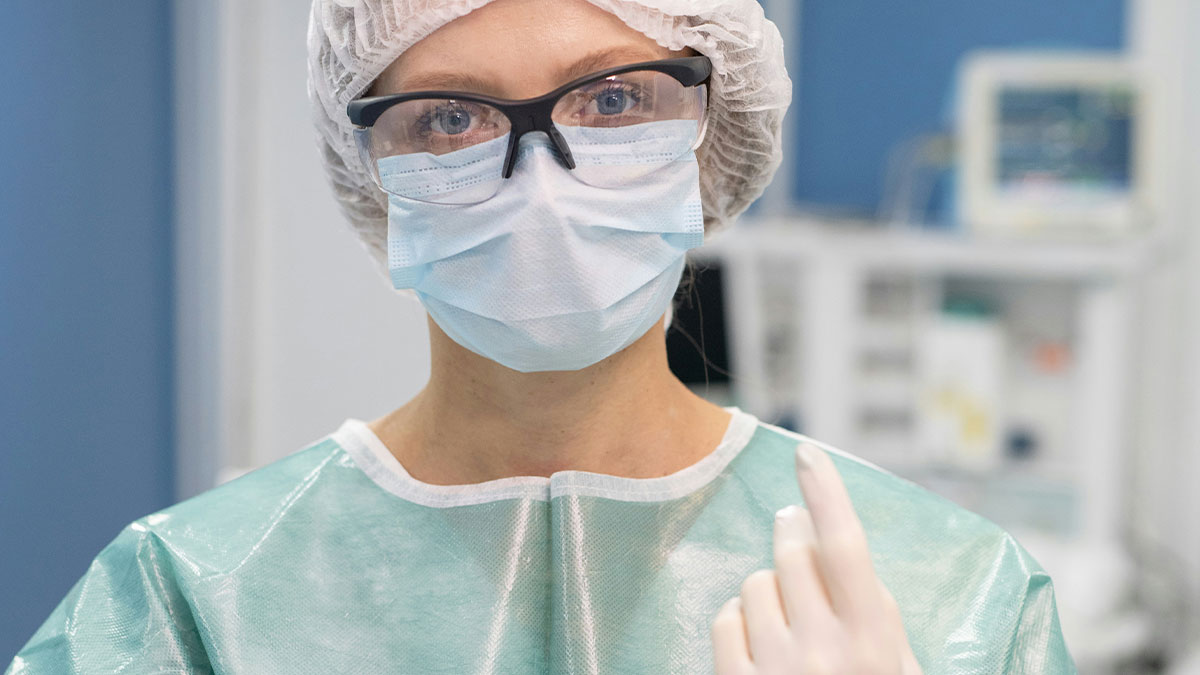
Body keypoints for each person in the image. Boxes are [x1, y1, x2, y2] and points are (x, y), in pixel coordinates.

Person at [6, 0, 1075, 673]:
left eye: (613, 101)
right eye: (451, 118)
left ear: (713, 136)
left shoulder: (947, 593)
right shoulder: (196, 598)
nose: (542, 184)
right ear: (373, 171)